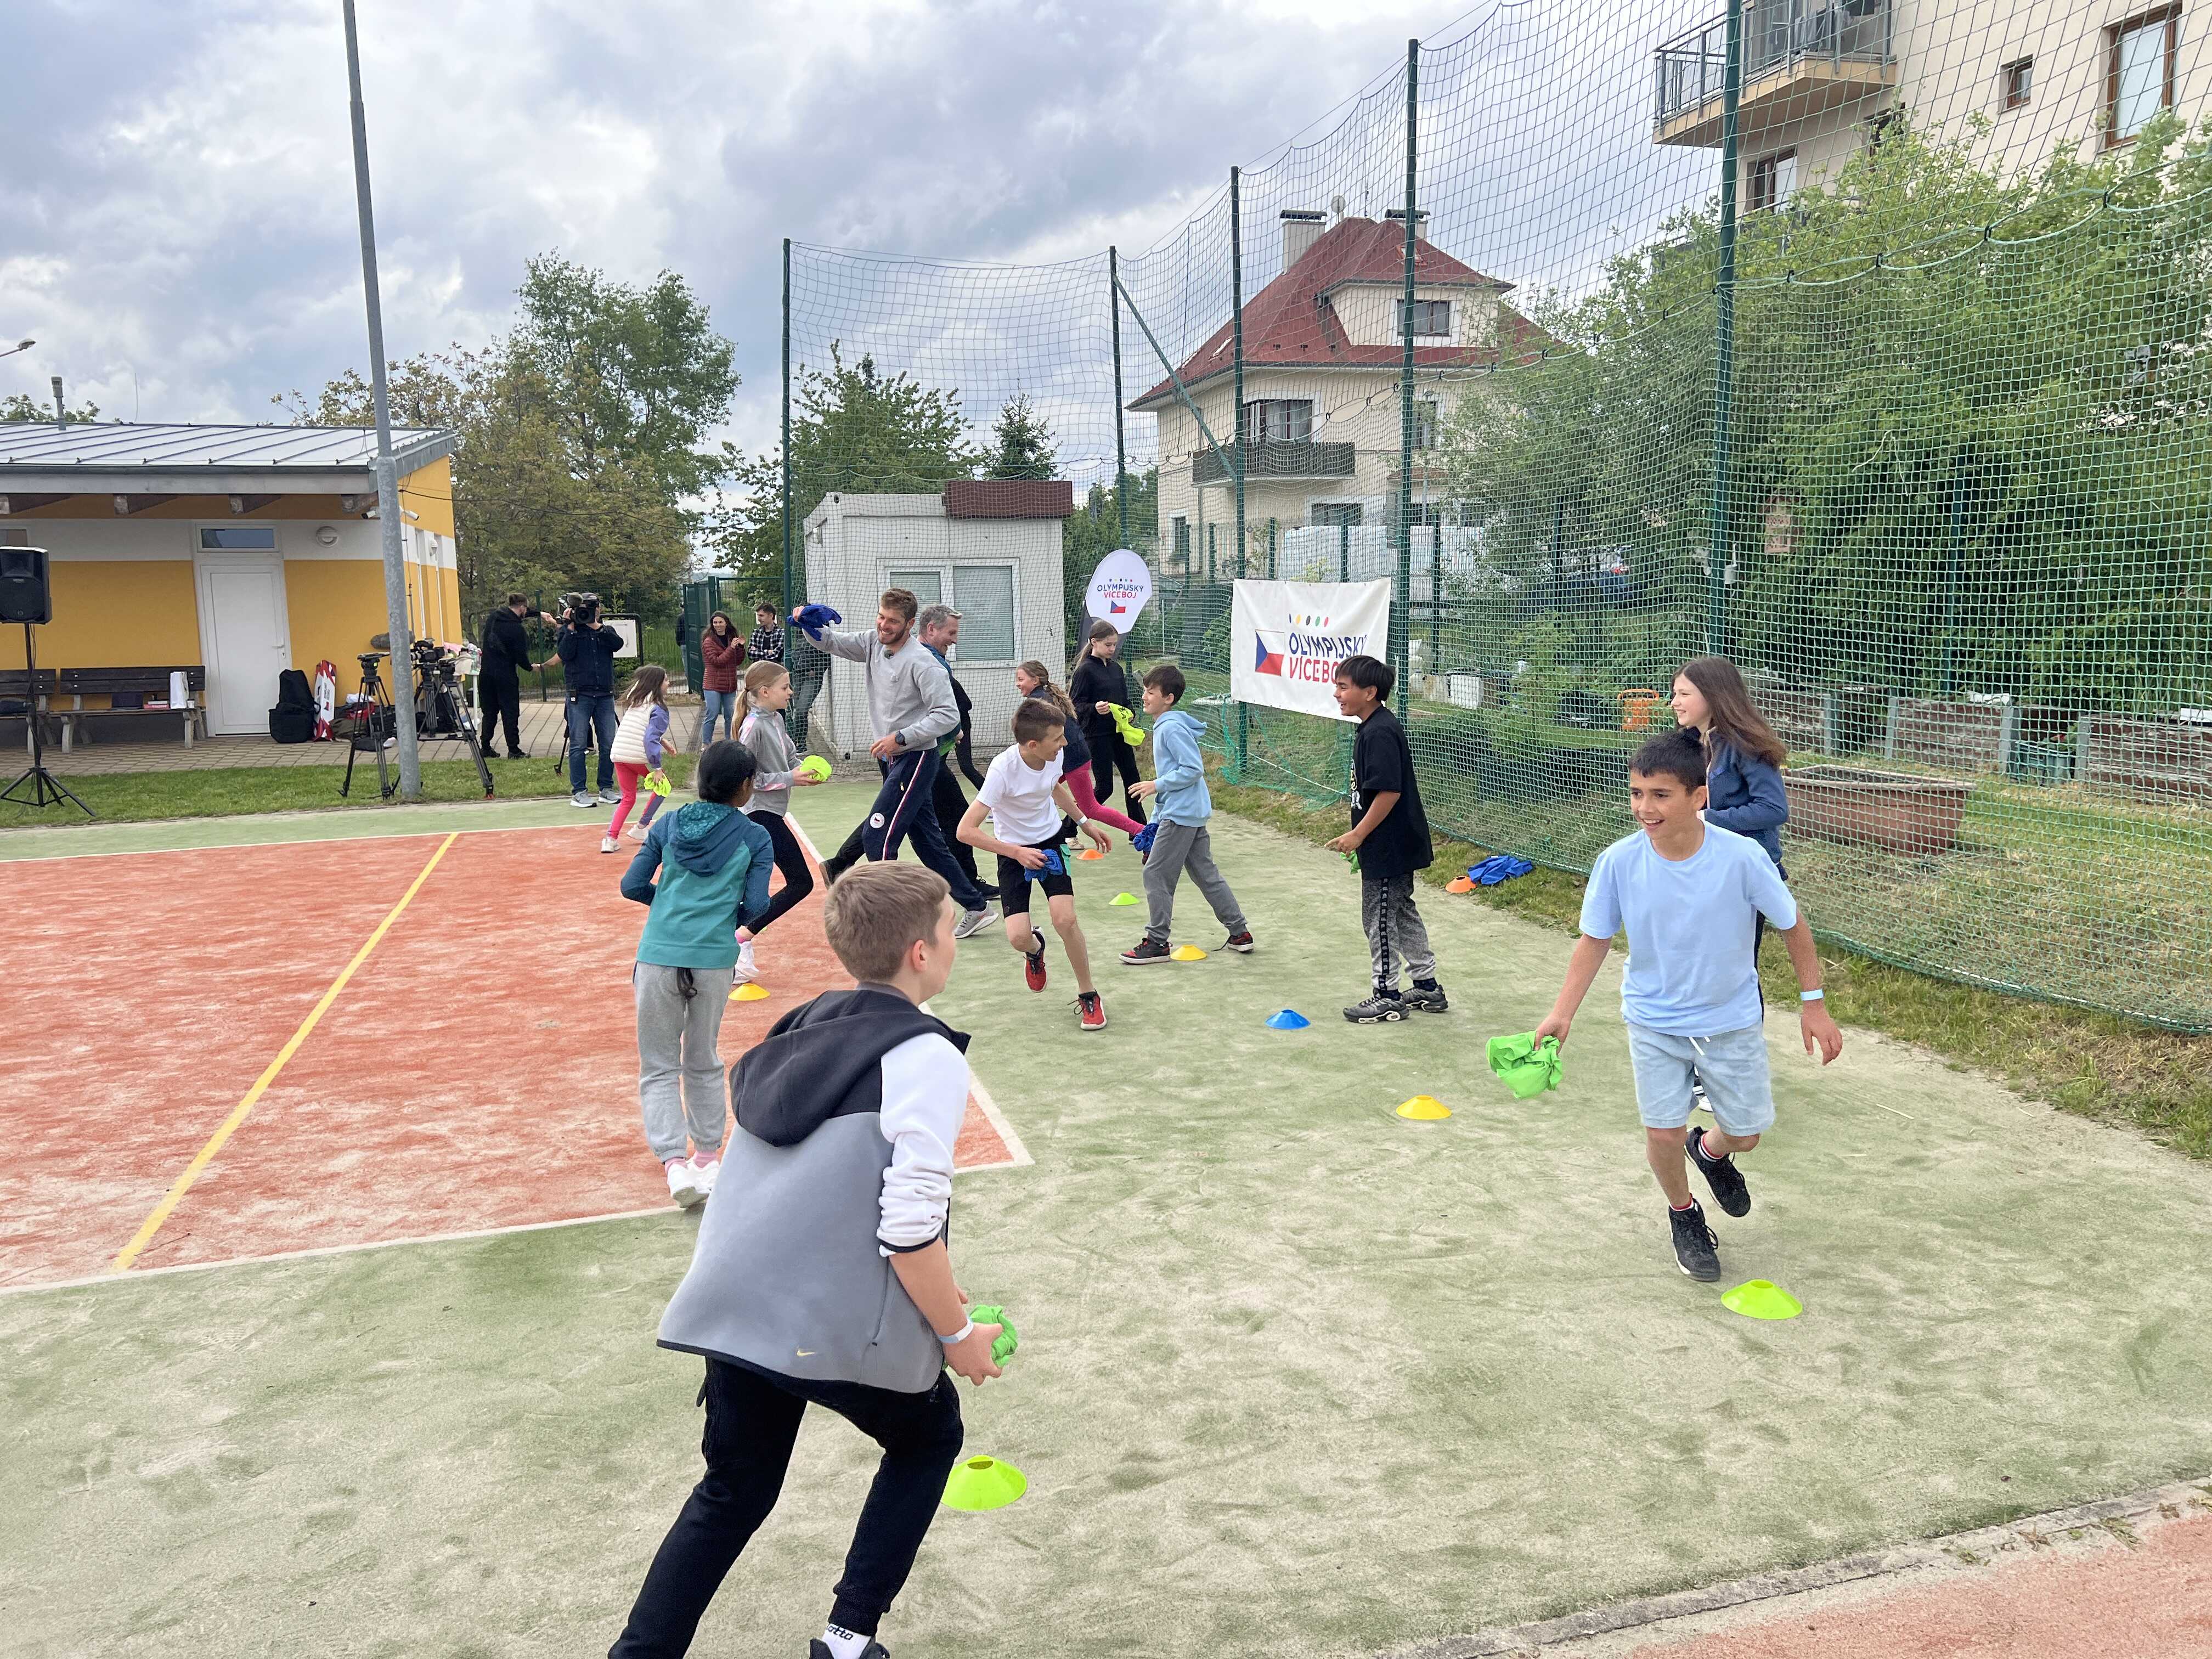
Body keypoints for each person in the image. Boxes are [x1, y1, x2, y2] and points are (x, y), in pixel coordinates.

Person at [611, 861, 1004, 1659]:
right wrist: (957, 1335)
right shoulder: (927, 1055)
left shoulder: (801, 1024)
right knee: (928, 1438)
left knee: (734, 1490)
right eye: (948, 929)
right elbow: (908, 1230)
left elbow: (822, 1189)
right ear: (922, 953)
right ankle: (848, 1638)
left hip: (735, 1303)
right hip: (817, 1316)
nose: (953, 941)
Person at [1533, 731, 1843, 1282]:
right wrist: (1563, 1012)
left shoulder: (1742, 858)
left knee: (1746, 1134)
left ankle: (1713, 1152)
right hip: (1653, 1021)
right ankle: (1684, 1214)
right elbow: (1595, 939)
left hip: (1730, 1021)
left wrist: (1813, 1005)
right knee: (1662, 1132)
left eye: (1660, 795)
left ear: (1699, 797)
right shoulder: (1618, 862)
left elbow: (1792, 924)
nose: (1644, 808)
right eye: (1637, 793)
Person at [618, 740, 774, 1211]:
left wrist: (666, 904)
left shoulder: (668, 824)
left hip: (658, 955)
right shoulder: (755, 837)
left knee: (658, 1065)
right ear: (746, 786)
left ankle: (673, 1164)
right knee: (703, 1058)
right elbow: (759, 905)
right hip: (713, 959)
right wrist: (725, 919)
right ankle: (708, 1158)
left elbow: (632, 885)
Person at [797, 589, 996, 939]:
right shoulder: (873, 642)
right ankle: (977, 907)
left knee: (878, 836)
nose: (884, 625)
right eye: (881, 617)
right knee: (927, 842)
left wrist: (901, 738)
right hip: (893, 758)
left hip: (916, 759)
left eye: (892, 621)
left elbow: (948, 716)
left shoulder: (923, 663)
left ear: (909, 624)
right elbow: (833, 643)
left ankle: (890, 923)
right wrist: (809, 624)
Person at [958, 698, 1111, 1031]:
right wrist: (1016, 853)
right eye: (1057, 739)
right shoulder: (1003, 770)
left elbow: (1054, 787)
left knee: (1066, 919)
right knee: (1017, 938)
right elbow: (965, 831)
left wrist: (1084, 823)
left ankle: (1089, 994)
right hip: (1013, 852)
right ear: (1032, 745)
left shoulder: (1054, 756)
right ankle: (1035, 948)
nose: (1065, 743)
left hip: (1051, 843)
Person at [1325, 654, 1447, 1023]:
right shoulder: (1373, 727)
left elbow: (1389, 792)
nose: (1337, 694)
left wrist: (1359, 834)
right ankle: (1426, 985)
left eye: (1344, 687)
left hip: (1390, 845)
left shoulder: (1379, 732)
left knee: (1378, 918)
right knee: (1401, 911)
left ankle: (1387, 994)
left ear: (1370, 692)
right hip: (1391, 844)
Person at [1119, 664, 1253, 964]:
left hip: (1181, 815)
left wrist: (1155, 785)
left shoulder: (1171, 727)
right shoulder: (1166, 725)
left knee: (1155, 873)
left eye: (1150, 692)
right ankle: (1239, 932)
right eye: (1145, 691)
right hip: (1186, 812)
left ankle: (1157, 941)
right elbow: (1175, 776)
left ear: (1168, 698)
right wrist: (1155, 822)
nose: (1144, 697)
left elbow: (1192, 769)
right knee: (1206, 874)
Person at [733, 658, 824, 985]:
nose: (791, 692)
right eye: (785, 687)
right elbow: (748, 779)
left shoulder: (776, 719)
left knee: (749, 887)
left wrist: (806, 768)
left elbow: (788, 759)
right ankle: (741, 938)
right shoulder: (752, 727)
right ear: (764, 691)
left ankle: (733, 945)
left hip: (772, 813)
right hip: (758, 815)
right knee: (801, 882)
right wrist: (790, 778)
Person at [1015, 661, 1144, 839]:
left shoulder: (1037, 704)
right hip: (1067, 757)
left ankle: (1142, 831)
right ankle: (1048, 833)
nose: (1017, 683)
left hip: (1072, 759)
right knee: (1033, 789)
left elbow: (1038, 738)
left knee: (1091, 808)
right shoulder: (1045, 697)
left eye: (1021, 679)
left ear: (1035, 680)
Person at [1069, 620, 1147, 827]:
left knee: (1133, 782)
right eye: (1108, 645)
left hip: (1119, 733)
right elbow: (1075, 705)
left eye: (1114, 645)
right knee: (1105, 788)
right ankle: (1067, 828)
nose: (1112, 649)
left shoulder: (1116, 669)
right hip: (1097, 736)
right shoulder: (1085, 670)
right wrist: (1094, 708)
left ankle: (1139, 830)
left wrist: (1130, 712)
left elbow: (1125, 700)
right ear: (1094, 642)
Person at [559, 598, 626, 808]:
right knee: (579, 744)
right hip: (580, 694)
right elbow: (564, 654)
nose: (587, 613)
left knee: (608, 743)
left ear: (598, 610)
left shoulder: (605, 631)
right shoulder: (569, 631)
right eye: (583, 610)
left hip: (604, 694)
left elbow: (618, 645)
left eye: (591, 609)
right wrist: (570, 627)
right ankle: (579, 792)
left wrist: (596, 627)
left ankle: (606, 788)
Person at [605, 665, 673, 854]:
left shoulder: (637, 702)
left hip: (619, 754)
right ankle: (642, 826)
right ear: (657, 684)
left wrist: (663, 741)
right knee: (663, 786)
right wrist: (657, 767)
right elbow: (649, 738)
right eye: (666, 680)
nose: (669, 683)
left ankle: (610, 839)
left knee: (628, 798)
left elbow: (641, 730)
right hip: (636, 757)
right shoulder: (659, 709)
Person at [476, 591, 545, 758]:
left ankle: (485, 746)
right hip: (505, 676)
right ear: (522, 607)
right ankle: (513, 750)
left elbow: (517, 613)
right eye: (526, 609)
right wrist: (530, 668)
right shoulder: (516, 629)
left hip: (486, 673)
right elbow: (520, 655)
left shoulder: (494, 617)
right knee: (510, 712)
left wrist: (539, 613)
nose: (526, 612)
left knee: (489, 711)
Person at [698, 611, 744, 749]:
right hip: (713, 684)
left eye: (720, 622)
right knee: (712, 714)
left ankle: (730, 743)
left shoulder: (731, 638)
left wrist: (740, 647)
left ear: (726, 623)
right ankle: (706, 744)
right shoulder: (709, 641)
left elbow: (737, 661)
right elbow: (717, 661)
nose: (718, 625)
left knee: (730, 715)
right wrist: (731, 648)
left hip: (729, 684)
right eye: (715, 623)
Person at [748, 601, 785, 667]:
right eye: (758, 616)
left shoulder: (781, 633)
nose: (759, 619)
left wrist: (759, 655)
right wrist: (768, 652)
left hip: (775, 670)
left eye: (761, 616)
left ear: (771, 616)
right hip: (758, 670)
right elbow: (750, 654)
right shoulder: (756, 633)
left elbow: (777, 655)